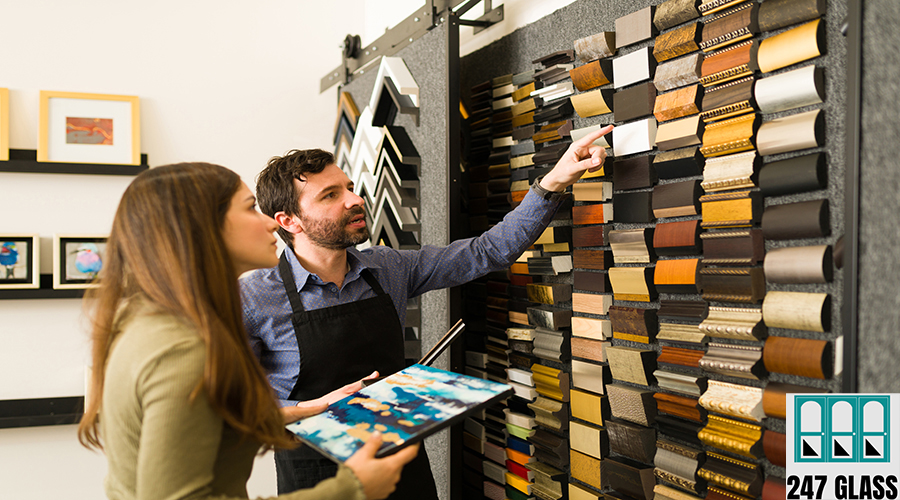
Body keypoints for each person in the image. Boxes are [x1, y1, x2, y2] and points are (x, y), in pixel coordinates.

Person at [240, 125, 613, 497]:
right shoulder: (253, 298)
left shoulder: (386, 268)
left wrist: (554, 181)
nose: (354, 200)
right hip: (317, 478)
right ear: (289, 221)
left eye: (350, 188)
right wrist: (315, 408)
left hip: (400, 465)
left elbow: (487, 252)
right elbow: (236, 408)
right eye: (331, 195)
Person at [76, 162, 419, 500]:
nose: (272, 223)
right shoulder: (182, 350)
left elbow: (206, 421)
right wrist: (351, 489)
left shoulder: (148, 320)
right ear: (201, 228)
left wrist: (311, 408)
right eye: (250, 208)